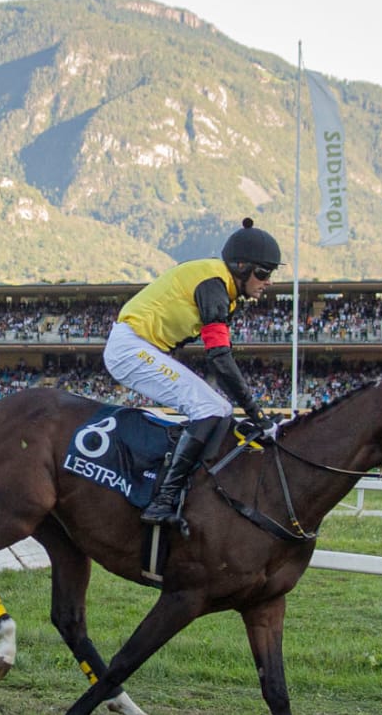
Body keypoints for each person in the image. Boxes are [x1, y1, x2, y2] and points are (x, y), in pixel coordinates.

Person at [104, 218, 278, 529]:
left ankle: (186, 485)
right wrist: (256, 413)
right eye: (263, 273)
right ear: (240, 267)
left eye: (271, 274)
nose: (268, 282)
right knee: (210, 407)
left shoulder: (223, 287)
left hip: (142, 347)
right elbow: (220, 359)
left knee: (220, 408)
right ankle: (162, 501)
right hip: (130, 347)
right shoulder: (213, 285)